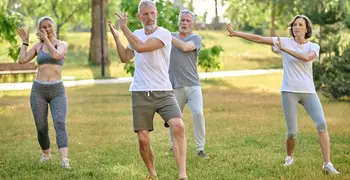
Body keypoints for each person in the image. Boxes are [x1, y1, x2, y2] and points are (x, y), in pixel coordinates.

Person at [226, 15, 340, 174]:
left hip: (308, 92)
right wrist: (237, 33)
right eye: (294, 25)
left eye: (300, 25)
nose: (296, 27)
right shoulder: (284, 41)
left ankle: (327, 163)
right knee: (292, 131)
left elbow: (307, 58)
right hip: (289, 91)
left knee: (321, 124)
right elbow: (259, 39)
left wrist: (284, 49)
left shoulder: (313, 46)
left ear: (306, 29)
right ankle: (290, 157)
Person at [107, 0, 187, 179]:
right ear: (139, 17)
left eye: (152, 13)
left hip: (164, 91)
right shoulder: (135, 34)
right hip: (140, 91)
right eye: (145, 14)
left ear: (156, 14)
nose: (149, 17)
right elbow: (125, 57)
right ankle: (152, 174)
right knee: (143, 139)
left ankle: (182, 175)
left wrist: (124, 29)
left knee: (178, 126)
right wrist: (118, 37)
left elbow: (142, 47)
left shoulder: (164, 34)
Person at [16, 16, 70, 168]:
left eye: (49, 26)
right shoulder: (37, 47)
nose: (46, 29)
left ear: (54, 27)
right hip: (38, 90)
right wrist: (25, 42)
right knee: (41, 126)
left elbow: (56, 55)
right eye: (43, 28)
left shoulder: (62, 44)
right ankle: (46, 154)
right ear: (39, 31)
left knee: (60, 123)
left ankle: (64, 160)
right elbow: (22, 60)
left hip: (57, 90)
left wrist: (46, 40)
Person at [168, 10, 207, 159]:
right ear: (178, 21)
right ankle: (174, 145)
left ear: (192, 24)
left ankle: (200, 148)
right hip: (174, 85)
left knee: (198, 112)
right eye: (182, 20)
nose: (184, 23)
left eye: (187, 21)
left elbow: (185, 47)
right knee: (173, 118)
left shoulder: (195, 38)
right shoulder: (169, 36)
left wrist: (168, 37)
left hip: (193, 85)